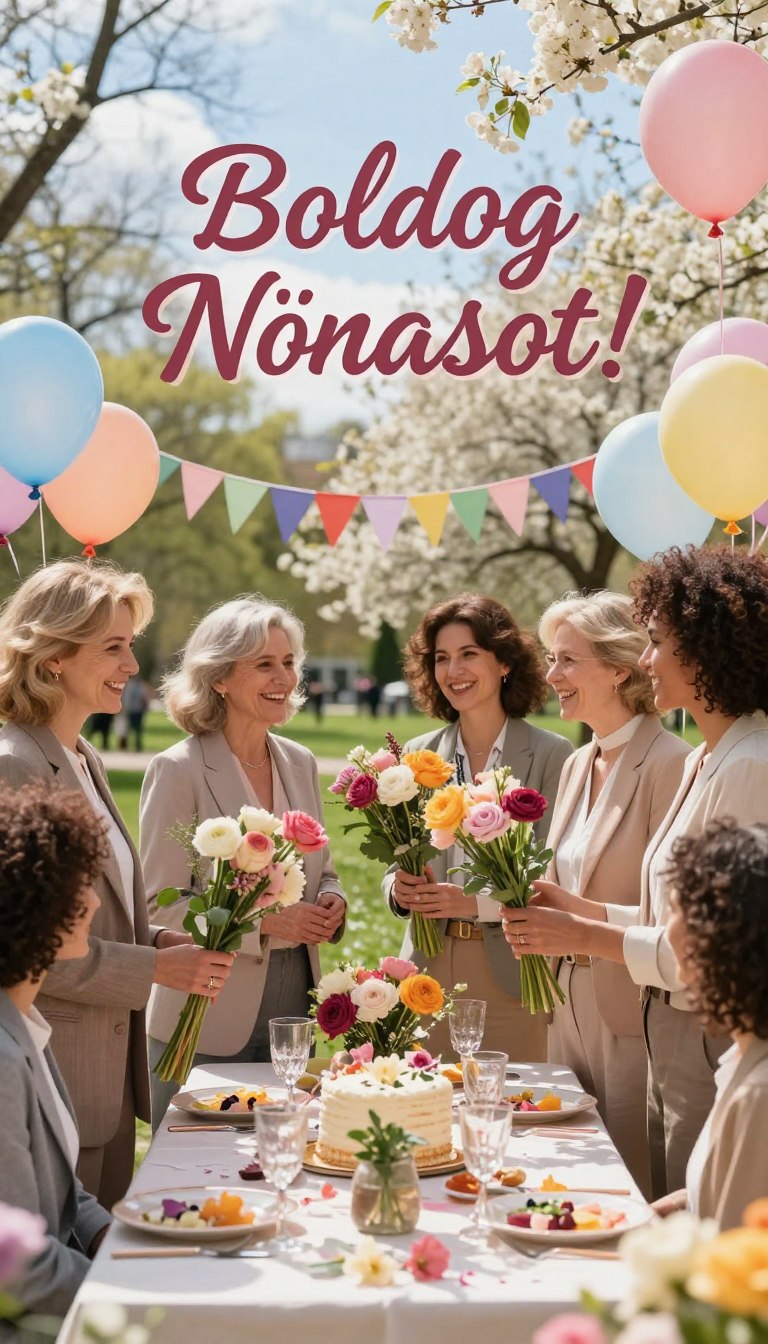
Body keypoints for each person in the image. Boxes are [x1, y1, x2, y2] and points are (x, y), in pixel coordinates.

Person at [501, 546, 768, 1196]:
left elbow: (716, 943)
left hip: (700, 1029)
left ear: (706, 648)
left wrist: (587, 937)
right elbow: (669, 917)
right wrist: (578, 912)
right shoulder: (713, 759)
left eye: (658, 642)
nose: (648, 660)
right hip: (661, 1021)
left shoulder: (746, 764)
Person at [0, 560, 233, 1206]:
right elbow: (25, 949)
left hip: (103, 1082)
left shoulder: (82, 755)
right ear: (51, 659)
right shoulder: (13, 765)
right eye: (113, 648)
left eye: (130, 645)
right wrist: (156, 972)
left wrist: (155, 941)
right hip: (53, 1081)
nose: (132, 666)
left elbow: (91, 911)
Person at [141, 595, 347, 1127]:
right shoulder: (177, 770)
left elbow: (322, 867)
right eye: (264, 664)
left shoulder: (299, 761)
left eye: (288, 663)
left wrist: (333, 901)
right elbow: (158, 908)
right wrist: (268, 923)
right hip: (205, 1011)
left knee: (282, 1156)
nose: (284, 677)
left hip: (292, 1007)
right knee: (197, 1177)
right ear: (220, 678)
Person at [536, 591, 690, 1195]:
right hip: (560, 997)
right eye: (553, 660)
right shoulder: (577, 763)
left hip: (632, 1005)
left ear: (620, 668)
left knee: (628, 1174)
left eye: (568, 660)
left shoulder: (671, 762)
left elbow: (671, 917)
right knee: (568, 1168)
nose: (552, 676)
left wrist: (584, 925)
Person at [383, 593, 573, 1060]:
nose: (454, 671)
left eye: (469, 654)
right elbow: (397, 860)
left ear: (504, 661)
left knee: (514, 1112)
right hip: (425, 972)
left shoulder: (552, 755)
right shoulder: (418, 753)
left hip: (513, 972)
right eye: (442, 659)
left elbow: (552, 874)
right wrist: (398, 891)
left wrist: (470, 903)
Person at [0, 782, 113, 1315]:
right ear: (33, 900)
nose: (92, 901)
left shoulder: (26, 1022)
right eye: (78, 886)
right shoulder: (2, 1059)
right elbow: (18, 1269)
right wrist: (131, 1295)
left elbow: (65, 1192)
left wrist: (112, 1238)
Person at [658, 820, 768, 1230]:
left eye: (674, 908)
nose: (666, 928)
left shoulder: (759, 1094)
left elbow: (736, 1255)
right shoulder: (745, 1051)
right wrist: (684, 1204)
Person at [122, 674, 152, 750]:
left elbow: (127, 699)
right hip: (135, 710)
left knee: (134, 728)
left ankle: (135, 744)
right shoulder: (137, 686)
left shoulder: (132, 686)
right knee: (134, 728)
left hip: (135, 710)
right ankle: (131, 744)